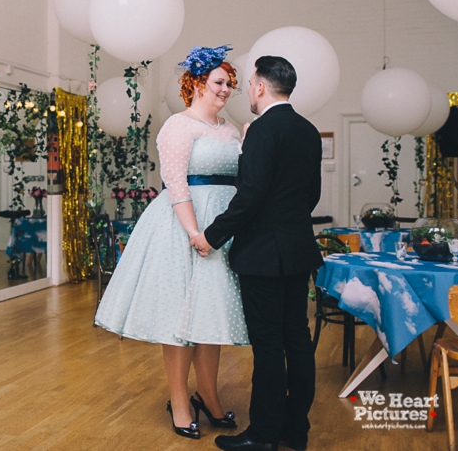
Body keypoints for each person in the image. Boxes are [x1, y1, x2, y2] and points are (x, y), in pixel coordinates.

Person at [95, 45, 249, 440]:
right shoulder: (178, 126)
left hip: (222, 228)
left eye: (230, 83)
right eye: (219, 82)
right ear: (196, 83)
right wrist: (195, 233)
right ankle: (180, 401)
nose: (226, 89)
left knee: (209, 315)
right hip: (183, 227)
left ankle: (209, 396)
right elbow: (176, 183)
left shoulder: (230, 129)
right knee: (179, 319)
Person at [191, 56, 323, 451]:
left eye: (249, 85)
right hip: (298, 249)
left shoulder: (263, 130)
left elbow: (249, 197)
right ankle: (294, 430)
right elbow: (310, 194)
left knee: (268, 348)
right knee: (297, 341)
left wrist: (211, 237)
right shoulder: (308, 130)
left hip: (264, 256)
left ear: (261, 87)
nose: (247, 91)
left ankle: (263, 436)